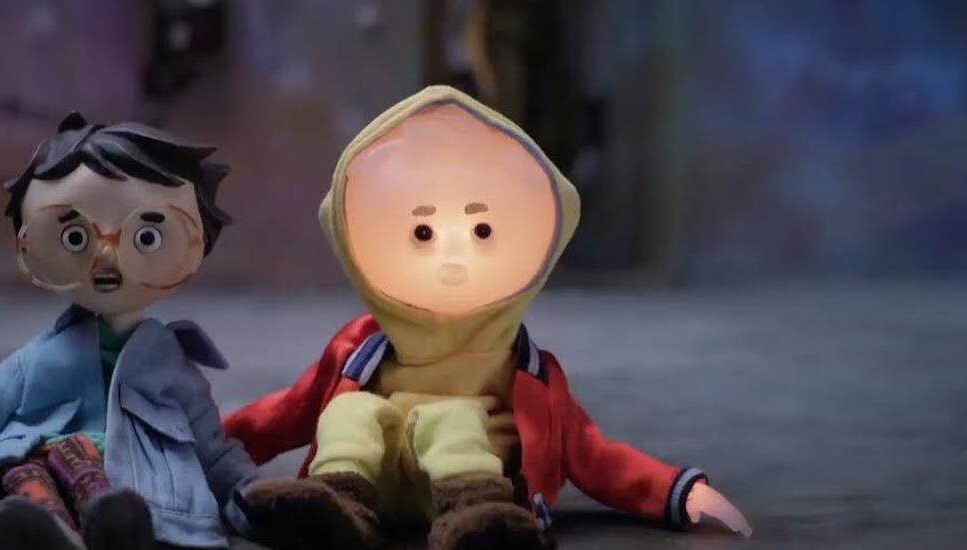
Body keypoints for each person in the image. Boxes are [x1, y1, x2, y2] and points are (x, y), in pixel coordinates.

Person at [224, 86, 752, 549]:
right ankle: (335, 502)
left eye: (482, 231)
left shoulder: (527, 371)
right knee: (348, 413)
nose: (452, 253)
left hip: (478, 479)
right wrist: (199, 452)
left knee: (451, 418)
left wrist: (674, 491)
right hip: (377, 487)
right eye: (423, 233)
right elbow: (285, 414)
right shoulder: (359, 350)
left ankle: (478, 517)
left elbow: (591, 453)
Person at [0, 113, 258, 550]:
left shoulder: (174, 372)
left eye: (146, 238)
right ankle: (45, 528)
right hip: (28, 474)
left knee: (93, 480)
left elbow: (215, 453)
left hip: (137, 493)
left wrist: (252, 500)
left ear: (195, 245)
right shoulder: (40, 359)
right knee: (26, 475)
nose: (108, 258)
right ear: (30, 245)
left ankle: (106, 524)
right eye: (76, 238)